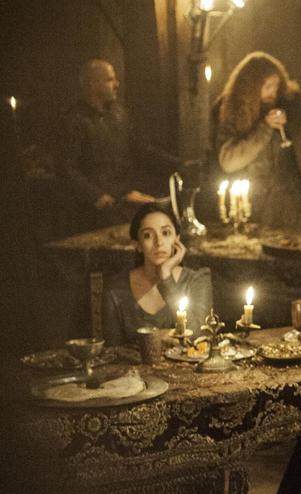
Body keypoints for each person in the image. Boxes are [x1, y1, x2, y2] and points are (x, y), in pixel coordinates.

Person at [61, 60, 179, 229]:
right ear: (93, 84)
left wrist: (177, 164)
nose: (117, 85)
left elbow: (140, 148)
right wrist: (95, 196)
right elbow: (66, 167)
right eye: (110, 80)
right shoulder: (74, 120)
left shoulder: (119, 114)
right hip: (94, 210)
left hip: (124, 200)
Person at [212, 51, 301, 232]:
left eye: (276, 86)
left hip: (292, 204)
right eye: (268, 86)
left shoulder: (290, 106)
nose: (273, 92)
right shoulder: (232, 112)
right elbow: (229, 161)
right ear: (252, 87)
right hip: (254, 204)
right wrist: (264, 127)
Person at [102, 203, 212, 346]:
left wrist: (166, 277)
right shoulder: (116, 289)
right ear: (138, 245)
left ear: (177, 239)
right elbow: (112, 351)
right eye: (148, 235)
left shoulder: (197, 280)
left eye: (165, 233)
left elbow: (199, 337)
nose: (159, 242)